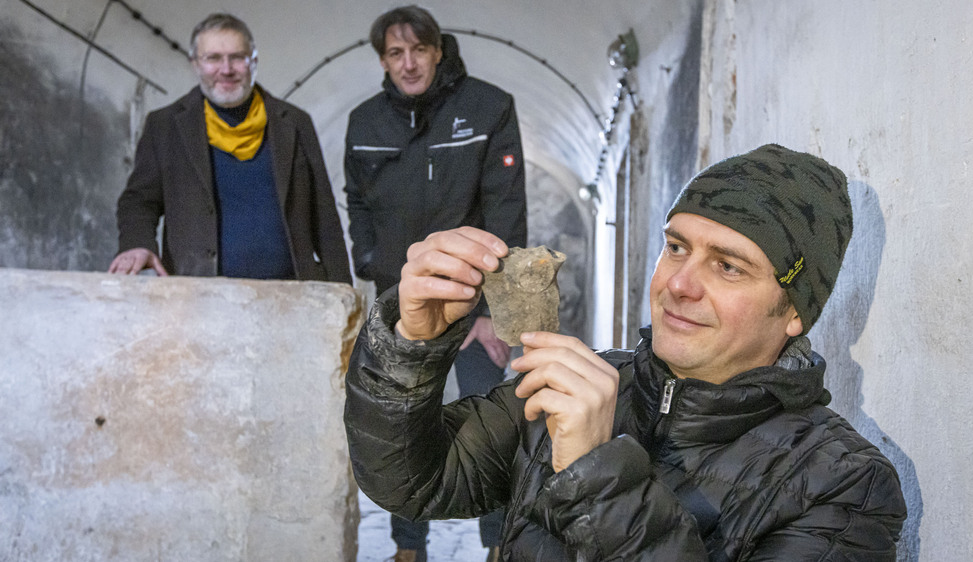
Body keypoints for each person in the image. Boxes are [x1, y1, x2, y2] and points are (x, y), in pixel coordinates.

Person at [344, 144, 907, 560]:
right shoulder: (583, 382)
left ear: (795, 312)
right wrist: (409, 345)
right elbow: (411, 482)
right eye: (676, 247)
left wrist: (595, 474)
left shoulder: (844, 485)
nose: (679, 284)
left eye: (728, 266)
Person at [343, 6, 527, 560]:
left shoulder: (488, 107)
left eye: (418, 50)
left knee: (488, 425)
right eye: (395, 54)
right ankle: (407, 546)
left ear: (438, 50)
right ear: (383, 60)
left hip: (472, 307)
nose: (408, 63)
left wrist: (497, 312)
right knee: (403, 422)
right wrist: (374, 264)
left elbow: (506, 210)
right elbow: (357, 204)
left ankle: (496, 544)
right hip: (402, 305)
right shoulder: (364, 121)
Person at [109, 13, 351, 283]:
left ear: (254, 62)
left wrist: (343, 291)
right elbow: (139, 200)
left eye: (237, 57)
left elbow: (324, 215)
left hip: (292, 296)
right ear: (195, 64)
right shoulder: (165, 126)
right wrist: (137, 243)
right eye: (212, 58)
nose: (226, 69)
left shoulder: (294, 122)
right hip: (198, 297)